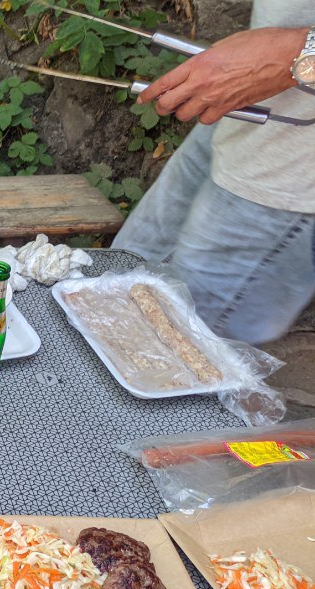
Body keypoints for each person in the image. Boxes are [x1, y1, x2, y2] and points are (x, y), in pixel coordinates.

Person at [111, 0, 315, 346]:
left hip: (292, 166)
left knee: (176, 354)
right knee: (115, 283)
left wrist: (298, 53)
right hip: (244, 105)